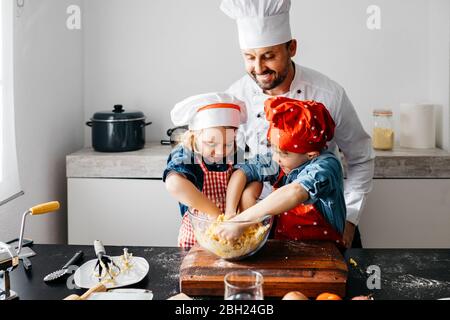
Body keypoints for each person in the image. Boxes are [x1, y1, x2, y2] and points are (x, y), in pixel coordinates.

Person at [220, 0, 374, 248]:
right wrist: (237, 212)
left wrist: (350, 219)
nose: (258, 68)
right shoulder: (235, 98)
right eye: (249, 57)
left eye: (269, 56)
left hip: (326, 225)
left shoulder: (329, 94)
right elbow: (235, 164)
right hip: (258, 231)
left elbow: (360, 157)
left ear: (291, 47)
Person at [219, 97, 346, 249]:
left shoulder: (326, 166)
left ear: (311, 155)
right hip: (284, 251)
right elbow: (242, 172)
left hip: (325, 254)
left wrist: (243, 221)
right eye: (273, 149)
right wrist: (230, 213)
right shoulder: (283, 162)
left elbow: (295, 191)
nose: (275, 157)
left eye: (283, 153)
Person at [163, 92, 247, 248]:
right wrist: (216, 215)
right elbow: (174, 184)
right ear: (194, 136)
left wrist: (233, 213)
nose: (221, 152)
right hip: (196, 239)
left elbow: (249, 178)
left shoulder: (235, 153)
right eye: (211, 143)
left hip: (229, 233)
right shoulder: (186, 154)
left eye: (228, 144)